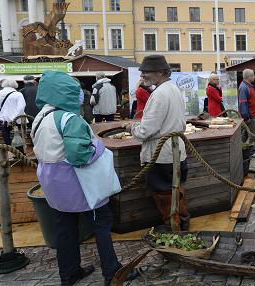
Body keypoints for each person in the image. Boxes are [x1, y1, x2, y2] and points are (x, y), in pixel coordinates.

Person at [30, 71, 136, 286]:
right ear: (66, 93)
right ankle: (112, 271)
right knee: (101, 224)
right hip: (78, 182)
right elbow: (80, 156)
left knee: (65, 227)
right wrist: (98, 146)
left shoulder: (41, 116)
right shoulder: (70, 119)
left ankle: (69, 273)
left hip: (52, 180)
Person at [126, 55, 190, 230]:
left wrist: (131, 128)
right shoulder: (173, 89)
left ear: (161, 72)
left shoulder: (159, 94)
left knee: (165, 194)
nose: (143, 75)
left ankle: (174, 231)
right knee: (176, 191)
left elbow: (146, 131)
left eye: (147, 72)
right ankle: (182, 226)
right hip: (175, 151)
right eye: (142, 72)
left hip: (162, 155)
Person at [0, 79, 26, 145]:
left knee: (8, 141)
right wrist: (12, 119)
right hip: (18, 121)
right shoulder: (18, 94)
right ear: (15, 85)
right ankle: (21, 153)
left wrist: (2, 119)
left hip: (3, 122)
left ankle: (10, 152)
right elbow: (21, 108)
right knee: (21, 141)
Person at [238, 69, 255, 158]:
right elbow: (242, 103)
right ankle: (252, 151)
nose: (254, 77)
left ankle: (240, 149)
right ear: (249, 77)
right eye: (253, 75)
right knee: (253, 134)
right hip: (250, 116)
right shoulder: (244, 87)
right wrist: (246, 117)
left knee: (244, 134)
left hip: (251, 115)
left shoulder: (248, 86)